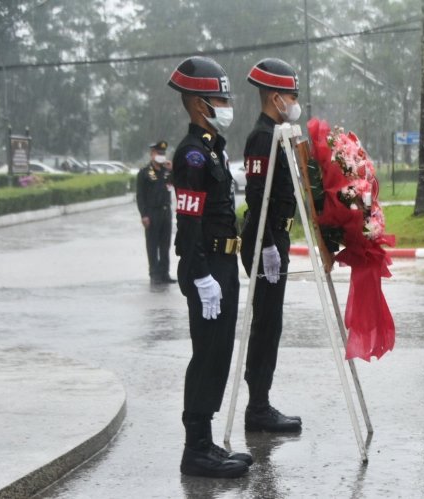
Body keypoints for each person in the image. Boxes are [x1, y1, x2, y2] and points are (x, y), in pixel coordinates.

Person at [167, 55, 252, 478]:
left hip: (223, 263)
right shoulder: (192, 156)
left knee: (218, 352)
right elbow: (189, 223)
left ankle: (206, 441)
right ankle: (194, 449)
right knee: (206, 355)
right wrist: (200, 275)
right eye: (219, 98)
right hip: (208, 268)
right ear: (200, 103)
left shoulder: (211, 149)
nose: (226, 104)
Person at [240, 58, 302, 433]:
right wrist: (266, 245)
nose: (295, 102)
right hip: (265, 237)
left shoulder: (279, 131)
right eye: (292, 95)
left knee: (271, 322)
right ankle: (257, 407)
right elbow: (257, 195)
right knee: (266, 323)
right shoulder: (263, 137)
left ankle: (260, 402)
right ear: (276, 97)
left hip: (276, 235)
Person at [136, 140, 176, 284]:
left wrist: (173, 170)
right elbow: (140, 196)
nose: (161, 155)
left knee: (165, 245)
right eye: (159, 153)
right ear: (152, 154)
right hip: (152, 213)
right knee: (152, 245)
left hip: (166, 213)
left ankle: (164, 273)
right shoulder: (145, 173)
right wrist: (144, 215)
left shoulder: (167, 171)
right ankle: (154, 273)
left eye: (163, 153)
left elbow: (178, 184)